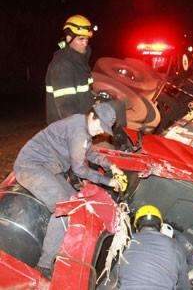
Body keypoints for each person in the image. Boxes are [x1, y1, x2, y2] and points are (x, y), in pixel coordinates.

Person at [13, 103, 126, 275]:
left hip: (47, 168)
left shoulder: (83, 126)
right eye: (100, 126)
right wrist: (108, 181)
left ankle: (61, 244)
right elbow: (79, 169)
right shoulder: (79, 130)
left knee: (77, 201)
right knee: (67, 209)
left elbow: (89, 153)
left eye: (104, 129)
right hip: (31, 167)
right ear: (92, 116)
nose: (101, 131)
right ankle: (44, 266)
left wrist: (112, 166)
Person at [45, 14, 130, 149]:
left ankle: (124, 145)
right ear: (68, 38)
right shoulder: (62, 65)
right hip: (66, 125)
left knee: (118, 106)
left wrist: (97, 97)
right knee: (105, 151)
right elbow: (65, 108)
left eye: (87, 39)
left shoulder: (79, 61)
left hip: (83, 112)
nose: (85, 42)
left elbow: (82, 92)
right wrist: (88, 127)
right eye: (80, 39)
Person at [118, 205, 190, 289]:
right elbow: (184, 285)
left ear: (137, 227)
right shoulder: (175, 246)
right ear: (160, 226)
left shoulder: (125, 243)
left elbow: (115, 276)